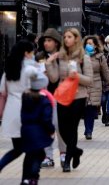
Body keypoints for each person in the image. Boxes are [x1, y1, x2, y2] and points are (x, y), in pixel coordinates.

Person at [45, 28, 93, 172]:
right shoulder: (60, 57)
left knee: (72, 129)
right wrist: (49, 62)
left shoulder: (84, 58)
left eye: (69, 37)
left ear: (76, 39)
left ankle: (67, 161)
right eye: (65, 37)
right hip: (62, 96)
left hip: (78, 96)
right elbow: (54, 78)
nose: (66, 39)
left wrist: (77, 76)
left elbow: (89, 80)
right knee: (62, 128)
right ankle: (76, 151)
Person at [0, 40, 37, 175]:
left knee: (18, 148)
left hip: (11, 112)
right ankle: (28, 178)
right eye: (32, 52)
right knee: (32, 149)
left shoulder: (8, 72)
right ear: (26, 53)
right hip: (26, 112)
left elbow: (2, 93)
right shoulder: (29, 70)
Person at [35, 28, 66, 168]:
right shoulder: (39, 56)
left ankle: (64, 154)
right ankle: (47, 156)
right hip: (43, 97)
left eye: (49, 41)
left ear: (56, 42)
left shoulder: (63, 57)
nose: (46, 43)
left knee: (60, 127)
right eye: (45, 41)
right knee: (45, 127)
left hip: (60, 96)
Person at [20, 70, 55, 185]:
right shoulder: (44, 100)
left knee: (29, 155)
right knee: (39, 155)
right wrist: (51, 130)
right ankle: (33, 177)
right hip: (40, 132)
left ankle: (25, 178)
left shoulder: (25, 97)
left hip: (26, 131)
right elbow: (46, 118)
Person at [82, 36, 109, 140]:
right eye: (87, 43)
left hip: (95, 84)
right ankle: (87, 127)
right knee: (84, 108)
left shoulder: (100, 57)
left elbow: (106, 73)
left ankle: (89, 131)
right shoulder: (81, 56)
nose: (89, 45)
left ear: (96, 45)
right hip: (83, 84)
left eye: (91, 43)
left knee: (92, 108)